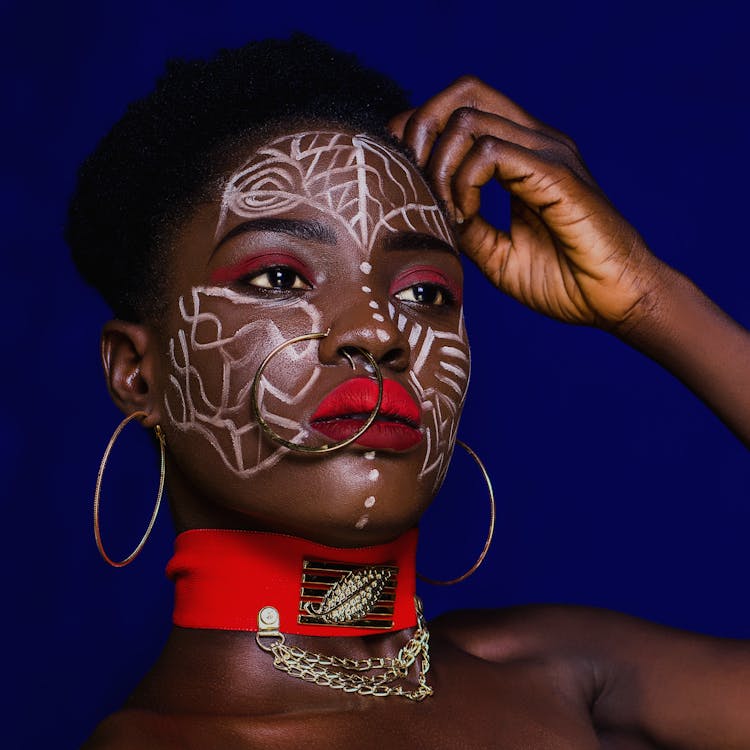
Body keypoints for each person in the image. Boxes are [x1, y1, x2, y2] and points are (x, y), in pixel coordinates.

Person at [69, 35, 750, 749]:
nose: (377, 329)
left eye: (425, 291)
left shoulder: (562, 672)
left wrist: (646, 298)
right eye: (278, 278)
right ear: (136, 374)